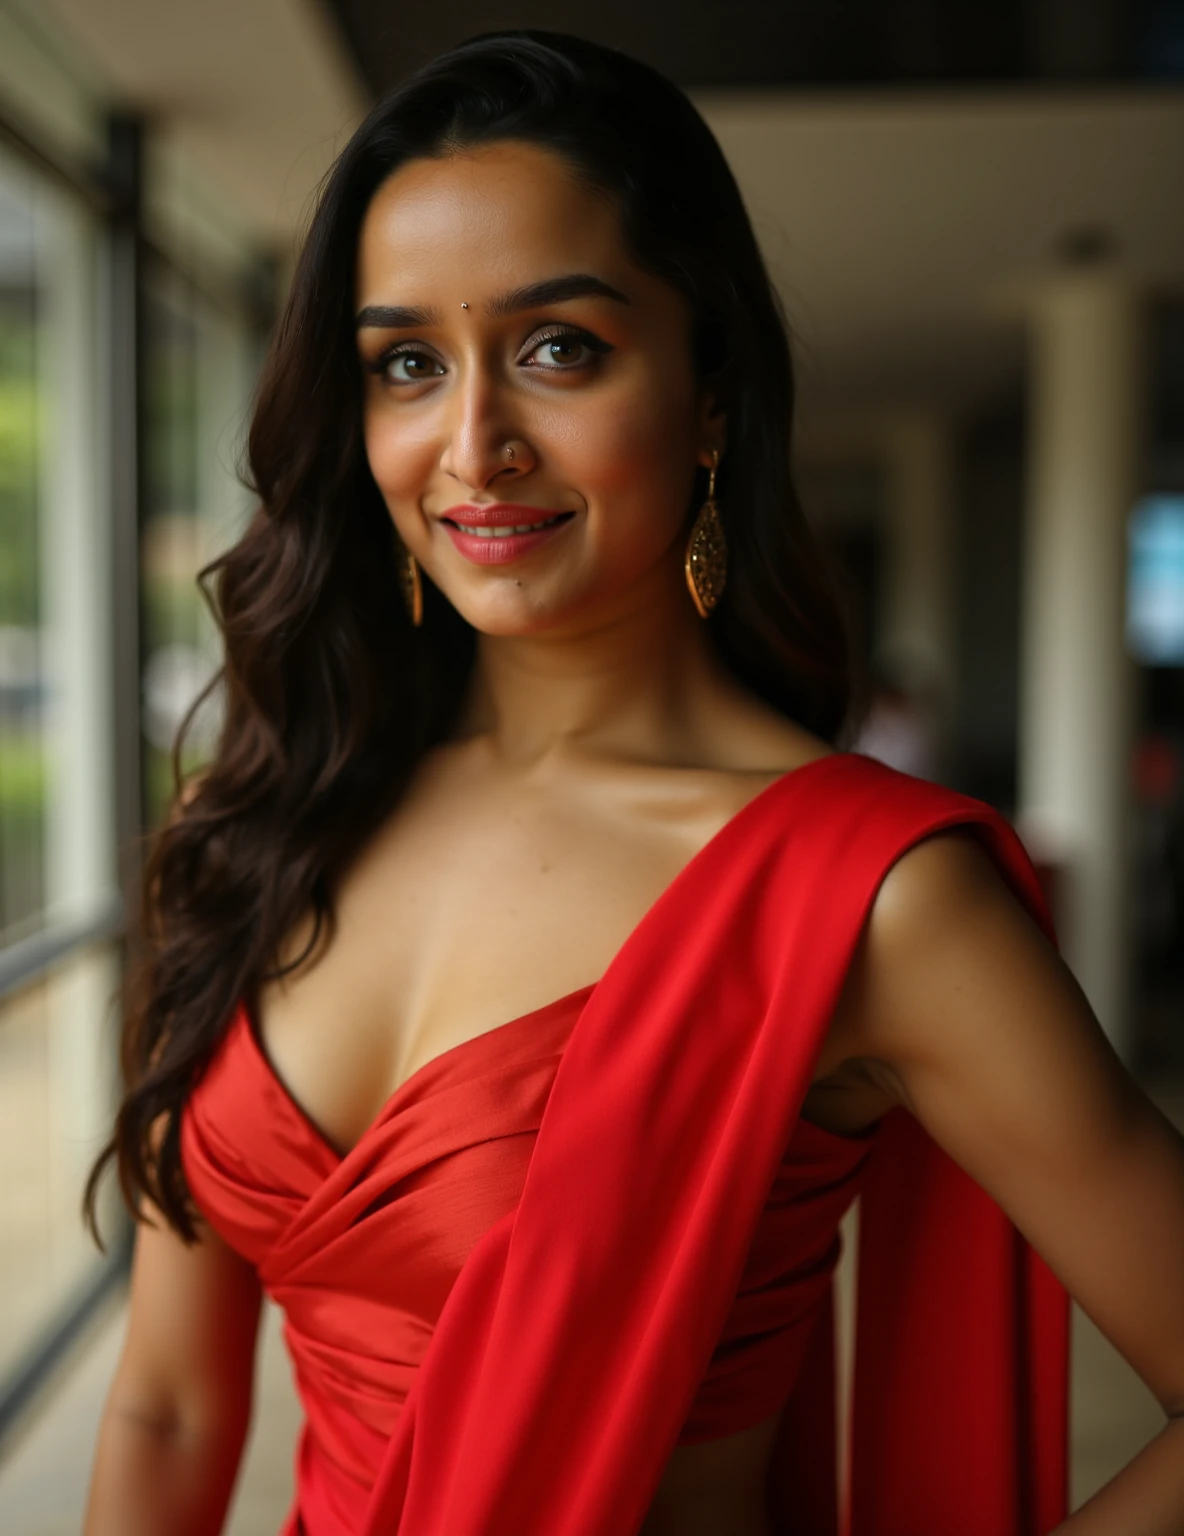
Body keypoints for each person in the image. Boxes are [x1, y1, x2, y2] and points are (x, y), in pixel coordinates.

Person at [81, 30, 1184, 1536]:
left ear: (711, 389)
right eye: (407, 364)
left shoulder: (873, 899)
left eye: (558, 349)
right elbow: (166, 1403)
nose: (474, 448)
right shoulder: (264, 826)